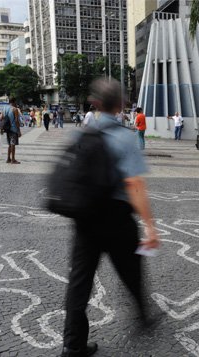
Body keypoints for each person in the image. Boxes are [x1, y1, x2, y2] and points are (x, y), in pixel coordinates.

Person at [60, 79, 160, 357]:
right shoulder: (125, 137)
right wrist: (150, 227)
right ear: (121, 104)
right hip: (116, 218)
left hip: (85, 218)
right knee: (131, 269)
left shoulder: (82, 135)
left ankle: (72, 344)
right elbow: (134, 185)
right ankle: (143, 314)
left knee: (79, 283)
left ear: (96, 104)